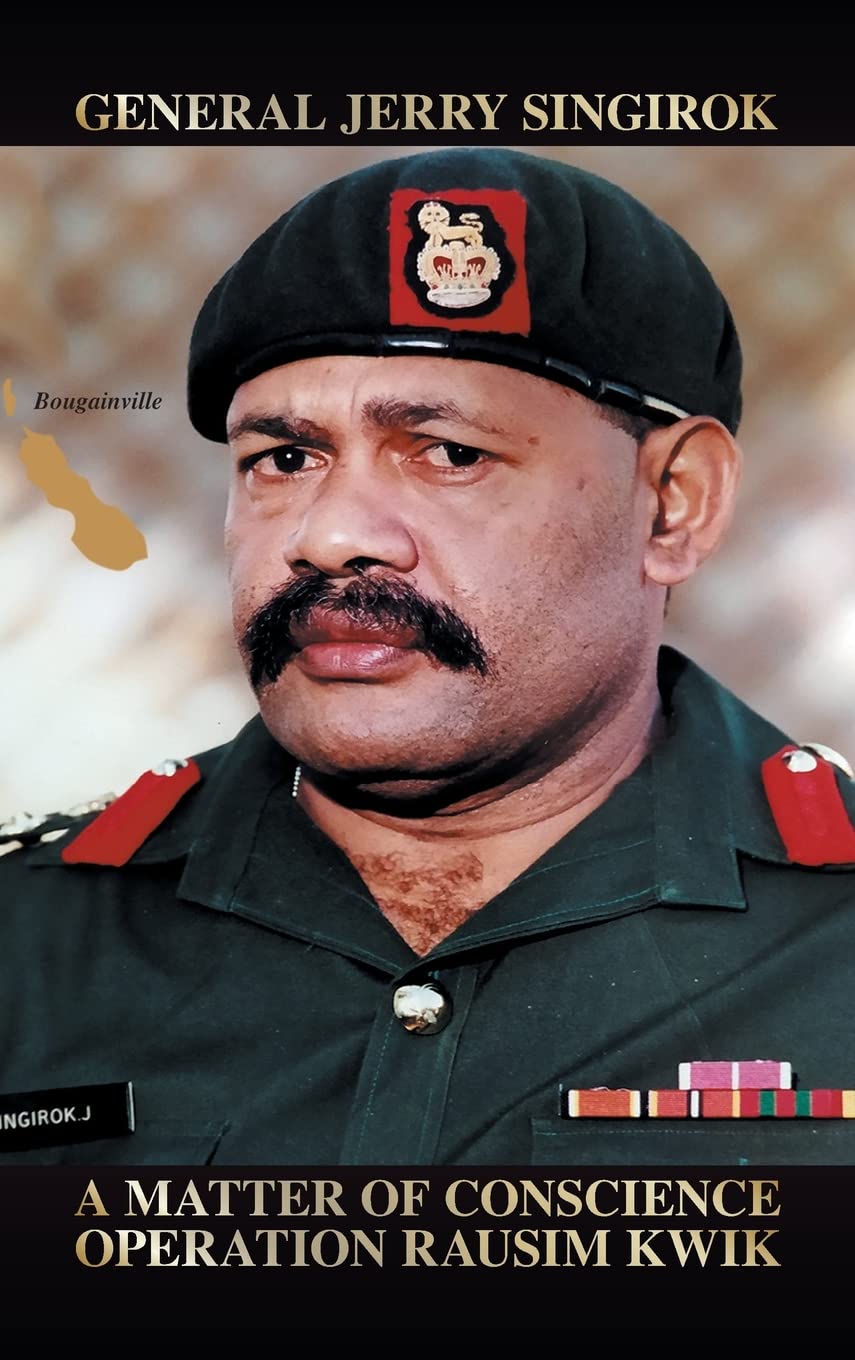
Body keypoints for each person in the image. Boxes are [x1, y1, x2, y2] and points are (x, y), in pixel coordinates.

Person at [2, 148, 855, 1166]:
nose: (329, 536)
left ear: (674, 504)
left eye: (449, 453)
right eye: (284, 458)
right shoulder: (32, 942)